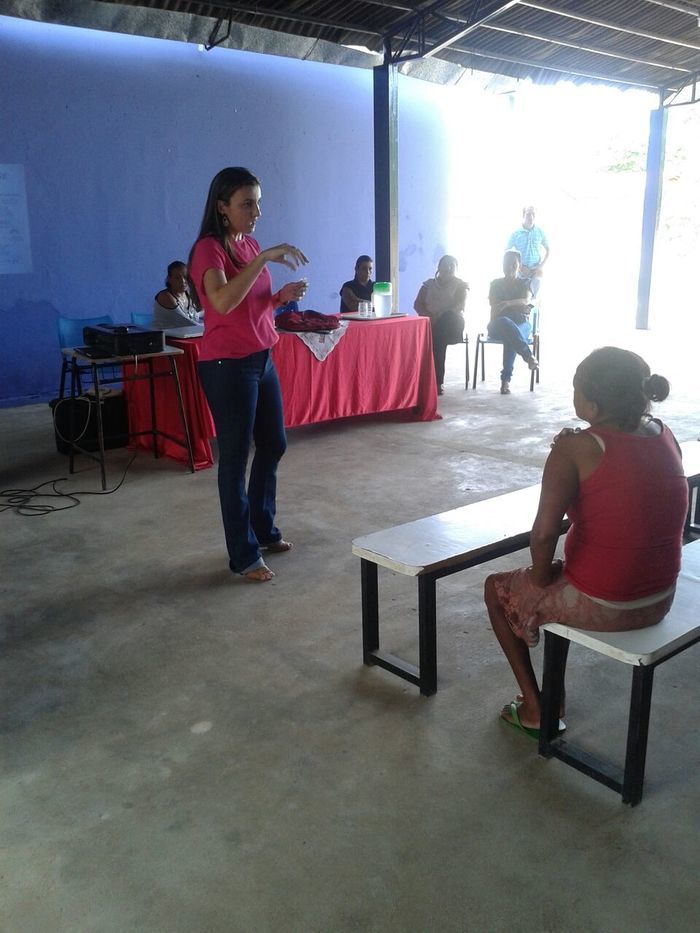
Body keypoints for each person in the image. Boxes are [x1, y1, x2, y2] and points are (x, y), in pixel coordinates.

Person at [484, 347, 688, 738]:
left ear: (591, 402)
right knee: (561, 572)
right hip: (661, 597)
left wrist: (539, 581)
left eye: (575, 387)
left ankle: (533, 708)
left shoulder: (574, 447)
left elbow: (544, 533)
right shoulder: (665, 434)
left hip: (608, 601)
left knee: (496, 589)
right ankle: (550, 698)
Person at [188, 166, 308, 582]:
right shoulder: (210, 250)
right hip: (227, 366)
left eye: (257, 202)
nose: (255, 211)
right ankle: (243, 555)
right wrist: (260, 260)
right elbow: (220, 302)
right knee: (235, 459)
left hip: (261, 357)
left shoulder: (249, 243)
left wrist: (279, 297)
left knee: (273, 444)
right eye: (246, 204)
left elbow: (251, 304)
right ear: (222, 207)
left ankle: (262, 529)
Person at [413, 255, 468, 395]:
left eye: (452, 265)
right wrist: (431, 317)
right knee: (437, 338)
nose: (448, 268)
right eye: (445, 265)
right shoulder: (428, 284)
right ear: (438, 267)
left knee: (442, 327)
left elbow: (459, 306)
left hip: (452, 325)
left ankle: (436, 381)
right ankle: (435, 381)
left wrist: (439, 316)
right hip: (431, 324)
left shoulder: (461, 285)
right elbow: (418, 304)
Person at [488, 248, 538, 395]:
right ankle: (528, 356)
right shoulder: (495, 284)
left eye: (513, 263)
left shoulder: (525, 283)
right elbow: (495, 305)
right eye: (506, 263)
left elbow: (527, 300)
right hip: (497, 324)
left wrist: (507, 304)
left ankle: (505, 381)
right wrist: (518, 306)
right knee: (506, 324)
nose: (509, 266)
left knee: (511, 333)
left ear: (519, 265)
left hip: (521, 324)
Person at [506, 205, 550, 298]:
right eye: (528, 214)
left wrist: (540, 267)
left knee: (532, 299)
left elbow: (548, 250)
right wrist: (519, 267)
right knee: (521, 298)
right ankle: (524, 307)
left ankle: (531, 307)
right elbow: (507, 252)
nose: (531, 216)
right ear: (523, 215)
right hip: (521, 272)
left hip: (536, 272)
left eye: (533, 214)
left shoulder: (540, 232)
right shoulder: (516, 233)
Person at [153, 261, 202, 328]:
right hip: (165, 337)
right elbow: (186, 322)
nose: (183, 281)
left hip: (185, 335)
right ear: (169, 279)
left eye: (185, 277)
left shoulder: (189, 294)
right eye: (177, 278)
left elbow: (198, 314)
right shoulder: (165, 296)